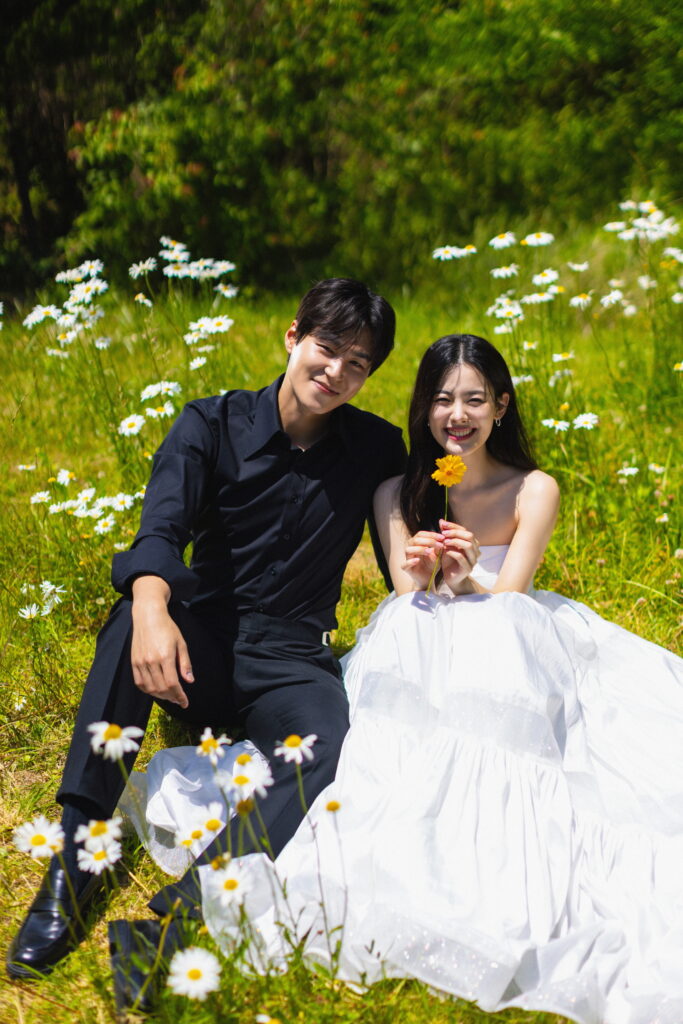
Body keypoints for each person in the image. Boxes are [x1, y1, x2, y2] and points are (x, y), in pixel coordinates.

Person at [134, 334, 683, 1024]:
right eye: (442, 400)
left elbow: (512, 596)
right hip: (422, 631)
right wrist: (426, 570)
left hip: (507, 632)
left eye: (475, 400)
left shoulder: (533, 488)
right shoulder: (398, 490)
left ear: (501, 406)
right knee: (393, 682)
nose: (457, 415)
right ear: (423, 408)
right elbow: (403, 589)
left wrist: (468, 575)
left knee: (507, 684)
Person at [6, 278, 407, 1005]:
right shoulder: (210, 424)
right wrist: (151, 601)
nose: (336, 372)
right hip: (204, 653)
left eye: (357, 364)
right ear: (292, 336)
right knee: (130, 620)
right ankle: (76, 861)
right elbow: (159, 529)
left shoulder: (377, 447)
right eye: (326, 349)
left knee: (328, 741)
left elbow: (403, 554)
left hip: (293, 659)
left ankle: (179, 914)